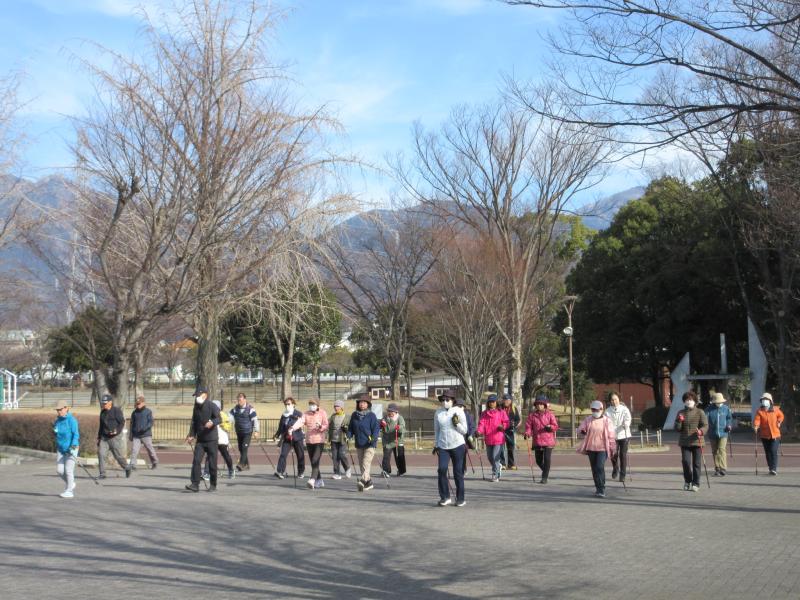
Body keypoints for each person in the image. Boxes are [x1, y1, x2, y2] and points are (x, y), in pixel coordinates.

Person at [433, 389, 469, 506]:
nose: (444, 402)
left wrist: (457, 424)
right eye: (442, 400)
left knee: (458, 472)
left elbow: (464, 430)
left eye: (447, 399)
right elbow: (437, 430)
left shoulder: (458, 411)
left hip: (457, 445)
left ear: (453, 400)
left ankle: (460, 498)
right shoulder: (438, 413)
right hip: (443, 445)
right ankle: (445, 497)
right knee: (442, 470)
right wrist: (436, 445)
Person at [576, 400, 617, 498]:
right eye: (593, 409)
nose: (595, 411)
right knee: (594, 469)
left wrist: (613, 448)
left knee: (599, 467)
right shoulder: (588, 419)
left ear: (602, 409)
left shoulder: (607, 420)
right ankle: (598, 488)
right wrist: (582, 431)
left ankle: (601, 488)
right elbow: (579, 430)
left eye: (597, 409)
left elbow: (611, 435)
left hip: (603, 448)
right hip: (591, 448)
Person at [184, 387, 221, 492]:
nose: (196, 397)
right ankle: (195, 484)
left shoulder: (211, 405)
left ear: (205, 395)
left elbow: (219, 418)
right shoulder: (196, 407)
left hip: (211, 439)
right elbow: (194, 422)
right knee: (196, 461)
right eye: (195, 395)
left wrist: (212, 422)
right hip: (200, 440)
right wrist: (191, 434)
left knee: (212, 463)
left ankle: (213, 485)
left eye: (198, 395)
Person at [675, 391, 709, 492]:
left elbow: (705, 425)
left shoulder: (700, 412)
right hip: (685, 441)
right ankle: (687, 481)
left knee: (696, 464)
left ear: (695, 401)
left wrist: (701, 431)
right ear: (684, 402)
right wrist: (679, 421)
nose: (688, 401)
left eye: (690, 400)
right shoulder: (681, 412)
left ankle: (696, 483)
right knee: (685, 462)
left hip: (697, 441)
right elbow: (677, 429)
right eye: (686, 400)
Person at [524, 395, 559, 484]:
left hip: (548, 441)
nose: (539, 406)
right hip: (537, 440)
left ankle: (544, 477)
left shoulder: (550, 414)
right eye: (537, 404)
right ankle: (546, 471)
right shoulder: (532, 416)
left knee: (547, 459)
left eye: (541, 404)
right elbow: (528, 427)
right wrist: (527, 433)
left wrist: (550, 427)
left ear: (544, 405)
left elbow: (555, 426)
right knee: (538, 460)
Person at [348, 394, 380, 491]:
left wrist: (373, 438)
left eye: (364, 403)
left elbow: (376, 429)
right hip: (359, 443)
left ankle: (362, 481)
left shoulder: (372, 416)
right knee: (362, 464)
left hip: (369, 444)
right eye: (360, 402)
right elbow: (351, 428)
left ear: (368, 404)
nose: (362, 404)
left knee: (366, 463)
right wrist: (348, 435)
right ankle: (369, 482)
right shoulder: (354, 415)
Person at [476, 394, 509, 482]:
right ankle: (498, 466)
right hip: (488, 438)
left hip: (498, 438)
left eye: (493, 402)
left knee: (495, 457)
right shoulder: (484, 413)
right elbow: (481, 424)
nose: (491, 404)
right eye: (490, 402)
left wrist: (503, 426)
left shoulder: (501, 412)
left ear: (496, 402)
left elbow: (506, 422)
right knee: (490, 457)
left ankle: (495, 474)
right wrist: (479, 431)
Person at [273, 397, 306, 480]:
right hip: (287, 438)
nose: (287, 406)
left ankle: (301, 472)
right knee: (283, 454)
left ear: (293, 404)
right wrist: (277, 435)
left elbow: (301, 423)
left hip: (297, 437)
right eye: (286, 404)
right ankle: (280, 471)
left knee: (300, 455)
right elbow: (281, 427)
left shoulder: (298, 413)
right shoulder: (284, 415)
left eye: (289, 404)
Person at [97, 394, 129, 479]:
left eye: (105, 403)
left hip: (114, 437)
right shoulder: (103, 412)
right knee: (101, 454)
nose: (104, 404)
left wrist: (116, 431)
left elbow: (122, 422)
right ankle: (102, 474)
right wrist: (99, 437)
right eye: (103, 402)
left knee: (118, 456)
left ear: (110, 402)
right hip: (104, 437)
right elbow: (101, 426)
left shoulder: (116, 411)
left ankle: (126, 467)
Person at [53, 400, 79, 499]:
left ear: (66, 408)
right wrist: (55, 431)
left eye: (60, 409)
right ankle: (70, 484)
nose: (59, 411)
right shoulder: (57, 421)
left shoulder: (72, 420)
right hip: (61, 448)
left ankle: (69, 491)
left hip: (72, 448)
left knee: (68, 470)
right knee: (60, 471)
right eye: (57, 410)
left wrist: (72, 448)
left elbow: (76, 435)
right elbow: (57, 433)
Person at [754, 392, 784, 476]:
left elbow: (781, 416)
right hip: (764, 435)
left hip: (775, 435)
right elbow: (757, 419)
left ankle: (774, 469)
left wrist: (779, 421)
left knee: (773, 450)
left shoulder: (776, 409)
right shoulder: (760, 411)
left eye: (766, 399)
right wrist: (756, 426)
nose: (764, 401)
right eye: (763, 400)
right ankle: (770, 468)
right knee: (767, 452)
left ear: (770, 401)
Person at [204, 400, 235, 480]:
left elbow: (228, 425)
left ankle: (231, 470)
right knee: (209, 456)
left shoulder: (222, 415)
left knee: (225, 455)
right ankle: (206, 473)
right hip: (212, 439)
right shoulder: (209, 415)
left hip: (222, 439)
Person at [605, 393, 632, 482]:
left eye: (616, 399)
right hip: (613, 435)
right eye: (612, 400)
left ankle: (623, 474)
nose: (614, 401)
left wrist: (626, 424)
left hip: (624, 434)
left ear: (619, 399)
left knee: (622, 455)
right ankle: (615, 468)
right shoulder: (607, 411)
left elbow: (628, 419)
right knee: (614, 454)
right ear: (610, 401)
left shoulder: (624, 409)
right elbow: (605, 421)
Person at [705, 392, 733, 476]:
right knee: (714, 451)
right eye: (717, 402)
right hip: (712, 433)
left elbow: (729, 418)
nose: (718, 403)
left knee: (721, 449)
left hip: (723, 432)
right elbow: (704, 418)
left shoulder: (726, 408)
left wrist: (729, 425)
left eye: (720, 402)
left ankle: (723, 468)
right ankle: (717, 468)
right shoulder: (709, 409)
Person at [303, 398, 329, 489]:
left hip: (319, 440)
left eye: (313, 404)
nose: (311, 406)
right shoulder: (306, 413)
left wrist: (321, 427)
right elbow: (301, 421)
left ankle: (312, 479)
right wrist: (293, 428)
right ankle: (320, 480)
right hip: (309, 441)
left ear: (317, 405)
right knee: (313, 462)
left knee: (315, 460)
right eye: (310, 404)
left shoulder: (322, 413)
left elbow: (326, 425)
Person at [128, 395, 158, 472]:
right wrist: (131, 434)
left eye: (139, 403)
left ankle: (154, 462)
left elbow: (150, 422)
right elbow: (132, 424)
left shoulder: (148, 411)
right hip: (136, 435)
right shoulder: (134, 413)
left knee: (150, 449)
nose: (138, 405)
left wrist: (144, 429)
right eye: (137, 403)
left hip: (146, 434)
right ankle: (133, 465)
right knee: (134, 450)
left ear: (143, 403)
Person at [230, 393, 259, 471]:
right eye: (238, 400)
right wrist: (226, 425)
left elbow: (255, 420)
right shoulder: (235, 409)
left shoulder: (250, 409)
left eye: (241, 400)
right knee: (240, 448)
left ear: (245, 400)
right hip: (239, 431)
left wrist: (256, 431)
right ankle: (247, 465)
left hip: (247, 432)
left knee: (244, 447)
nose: (239, 401)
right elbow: (230, 418)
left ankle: (241, 464)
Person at [328, 399, 352, 480]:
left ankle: (347, 468)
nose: (335, 408)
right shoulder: (333, 416)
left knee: (342, 455)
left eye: (337, 406)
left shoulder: (347, 417)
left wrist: (346, 428)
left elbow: (350, 428)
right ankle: (337, 473)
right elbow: (328, 424)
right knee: (335, 457)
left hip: (342, 439)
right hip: (333, 439)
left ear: (342, 407)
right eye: (335, 406)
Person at [380, 403, 406, 476]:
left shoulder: (399, 418)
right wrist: (381, 425)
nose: (390, 413)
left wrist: (399, 428)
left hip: (397, 440)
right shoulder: (385, 418)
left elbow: (403, 427)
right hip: (387, 441)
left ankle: (401, 471)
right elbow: (384, 429)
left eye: (392, 411)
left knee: (399, 456)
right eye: (389, 411)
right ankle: (386, 471)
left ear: (396, 412)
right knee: (386, 456)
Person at [499, 393, 520, 470]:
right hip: (501, 430)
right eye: (505, 400)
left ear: (511, 401)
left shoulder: (514, 408)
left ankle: (511, 464)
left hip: (510, 431)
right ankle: (502, 464)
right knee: (501, 448)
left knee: (510, 447)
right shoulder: (499, 408)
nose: (506, 401)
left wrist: (514, 425)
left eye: (508, 400)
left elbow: (518, 419)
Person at [456, 397, 476, 477]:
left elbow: (472, 426)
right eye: (457, 406)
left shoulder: (469, 415)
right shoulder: (452, 415)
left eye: (461, 406)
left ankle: (463, 469)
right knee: (456, 455)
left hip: (465, 438)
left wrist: (471, 435)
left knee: (462, 455)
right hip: (455, 438)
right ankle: (458, 469)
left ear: (464, 407)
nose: (459, 408)